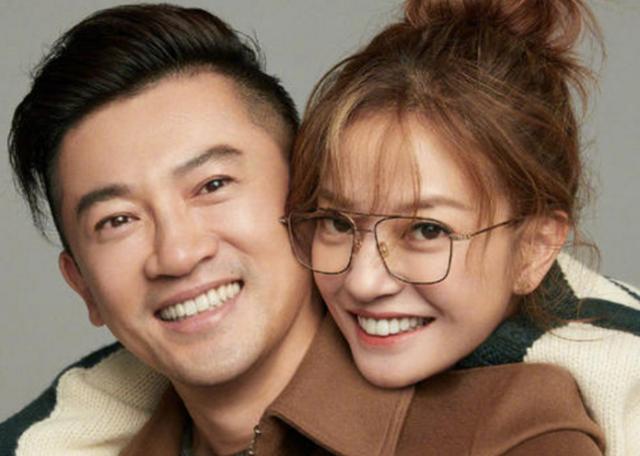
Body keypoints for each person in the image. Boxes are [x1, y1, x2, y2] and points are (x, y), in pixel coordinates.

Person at [0, 2, 635, 456]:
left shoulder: (508, 429)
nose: (179, 253)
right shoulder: (90, 435)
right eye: (117, 220)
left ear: (296, 196)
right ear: (82, 284)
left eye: (213, 185)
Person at [284, 0, 639, 454]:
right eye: (338, 222)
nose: (362, 281)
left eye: (427, 230)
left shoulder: (616, 389)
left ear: (534, 248)